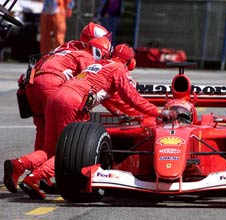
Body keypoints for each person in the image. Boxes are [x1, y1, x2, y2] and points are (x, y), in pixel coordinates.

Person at [18, 41, 177, 200]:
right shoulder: (119, 69)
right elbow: (132, 98)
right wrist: (157, 112)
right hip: (72, 101)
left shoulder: (100, 64)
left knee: (50, 148)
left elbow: (114, 100)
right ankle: (34, 178)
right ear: (130, 62)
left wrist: (134, 114)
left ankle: (19, 164)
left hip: (56, 97)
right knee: (71, 150)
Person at [3, 26, 111, 194]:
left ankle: (30, 171)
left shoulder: (65, 47)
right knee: (67, 144)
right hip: (52, 84)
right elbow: (90, 82)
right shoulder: (85, 54)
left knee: (44, 133)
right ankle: (29, 171)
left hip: (32, 84)